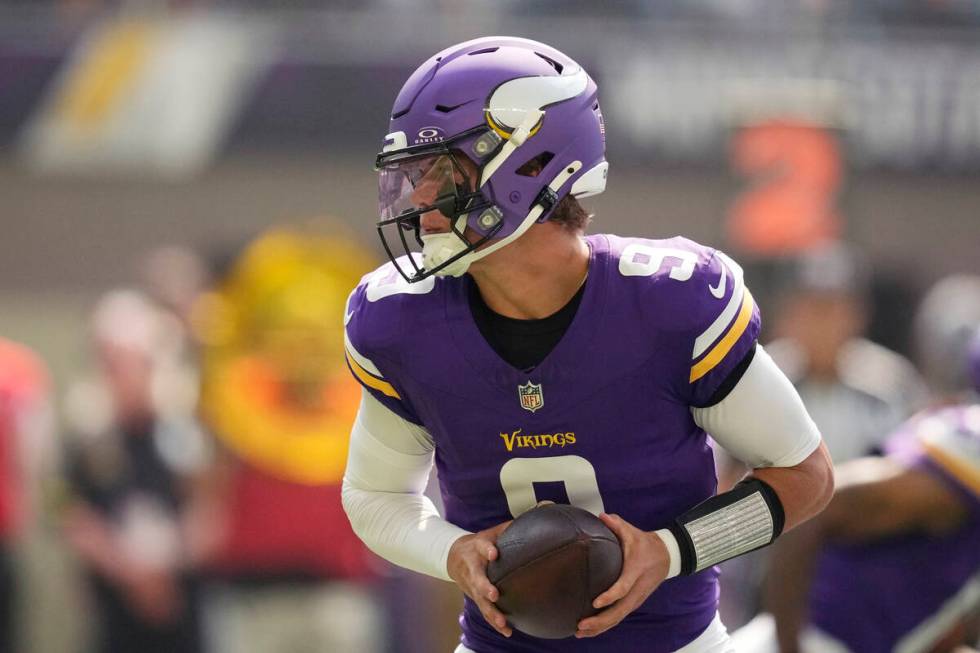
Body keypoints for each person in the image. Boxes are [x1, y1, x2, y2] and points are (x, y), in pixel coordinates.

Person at [341, 36, 834, 653]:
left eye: (441, 172)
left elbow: (805, 475)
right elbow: (374, 495)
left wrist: (669, 551)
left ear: (529, 165)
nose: (418, 199)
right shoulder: (402, 322)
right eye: (414, 175)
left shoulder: (666, 303)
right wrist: (453, 551)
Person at [732, 275, 980, 653]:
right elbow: (816, 512)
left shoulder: (887, 384)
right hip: (814, 636)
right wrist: (790, 648)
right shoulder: (971, 445)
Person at [716, 243, 926, 628]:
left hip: (862, 559)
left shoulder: (889, 385)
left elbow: (912, 479)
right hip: (770, 556)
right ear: (789, 313)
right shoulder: (760, 376)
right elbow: (722, 476)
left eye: (834, 309)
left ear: (857, 315)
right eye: (812, 308)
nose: (823, 322)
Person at [62, 289, 207, 653]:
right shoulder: (86, 436)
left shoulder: (185, 430)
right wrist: (128, 573)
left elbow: (210, 504)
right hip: (114, 610)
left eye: (132, 360)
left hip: (182, 603)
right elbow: (67, 510)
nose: (123, 373)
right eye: (110, 361)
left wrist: (167, 570)